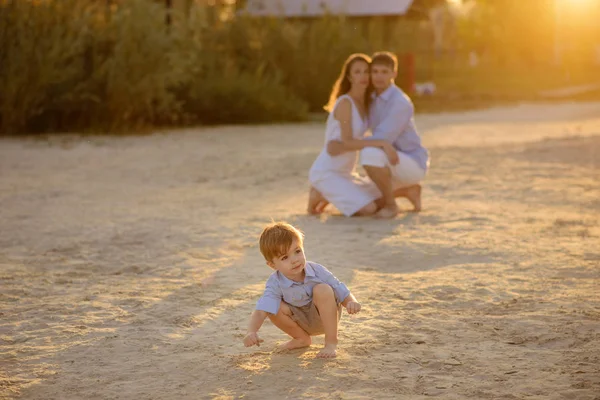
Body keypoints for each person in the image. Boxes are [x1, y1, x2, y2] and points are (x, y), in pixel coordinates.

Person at [328, 51, 430, 218]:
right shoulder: (372, 98)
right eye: (374, 72)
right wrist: (341, 143)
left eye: (384, 72)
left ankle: (391, 206)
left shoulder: (400, 103)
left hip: (411, 163)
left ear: (394, 74)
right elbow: (363, 130)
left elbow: (382, 139)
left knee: (370, 154)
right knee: (363, 190)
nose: (378, 77)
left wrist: (346, 145)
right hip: (390, 159)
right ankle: (409, 191)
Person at [243, 222, 362, 359]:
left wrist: (351, 302)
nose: (294, 260)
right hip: (300, 321)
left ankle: (331, 342)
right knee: (271, 307)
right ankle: (301, 339)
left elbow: (338, 286)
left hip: (324, 317)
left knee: (323, 289)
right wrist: (251, 331)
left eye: (297, 251)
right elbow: (261, 310)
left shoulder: (317, 270)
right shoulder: (275, 282)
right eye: (285, 257)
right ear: (272, 265)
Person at [307, 53, 400, 217]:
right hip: (327, 171)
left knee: (382, 199)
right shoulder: (345, 103)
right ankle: (319, 192)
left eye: (366, 71)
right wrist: (382, 144)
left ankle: (327, 193)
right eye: (357, 72)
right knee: (369, 209)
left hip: (347, 173)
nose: (363, 76)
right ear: (349, 76)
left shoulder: (366, 103)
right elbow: (348, 141)